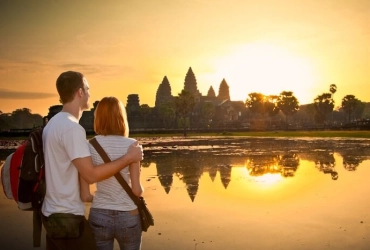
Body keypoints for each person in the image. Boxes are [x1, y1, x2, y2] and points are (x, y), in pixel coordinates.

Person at [41, 71, 143, 250]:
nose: (89, 93)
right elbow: (90, 175)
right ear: (80, 92)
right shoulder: (71, 128)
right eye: (87, 89)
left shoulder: (53, 123)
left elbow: (85, 187)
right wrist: (128, 158)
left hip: (54, 212)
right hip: (68, 216)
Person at [80, 96, 143, 250]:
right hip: (128, 215)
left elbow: (85, 195)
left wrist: (99, 199)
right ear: (122, 118)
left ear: (98, 118)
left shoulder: (89, 145)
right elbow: (136, 190)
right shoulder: (133, 146)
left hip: (99, 215)